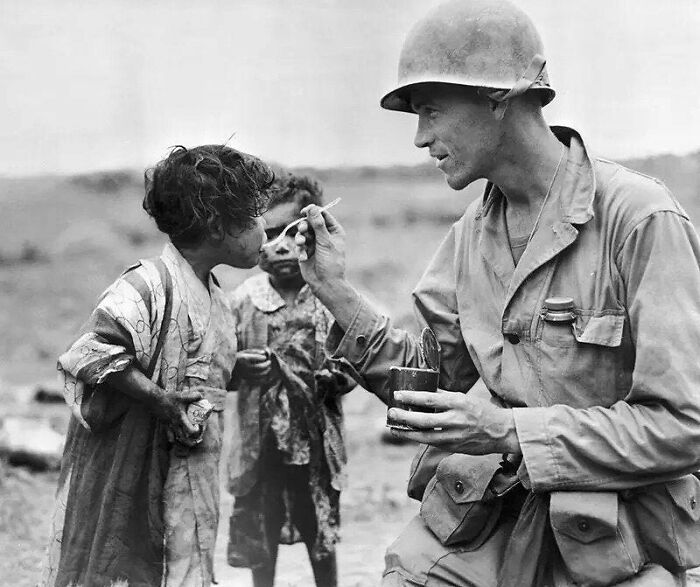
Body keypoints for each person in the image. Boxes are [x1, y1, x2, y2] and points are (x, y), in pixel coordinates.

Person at [294, 1, 700, 585]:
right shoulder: (469, 239)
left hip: (613, 539)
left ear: (498, 97)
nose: (419, 137)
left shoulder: (639, 220)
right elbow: (430, 389)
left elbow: (681, 427)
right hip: (484, 529)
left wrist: (508, 431)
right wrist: (334, 292)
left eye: (431, 111)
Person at [41, 145, 274, 587]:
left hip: (196, 464)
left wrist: (237, 371)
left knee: (190, 560)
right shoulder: (146, 284)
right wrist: (162, 401)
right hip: (144, 465)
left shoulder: (216, 297)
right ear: (219, 225)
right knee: (136, 564)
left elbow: (194, 367)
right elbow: (91, 353)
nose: (266, 228)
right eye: (256, 215)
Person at [226, 172, 356, 587]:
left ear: (313, 232)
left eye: (291, 232)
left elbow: (357, 360)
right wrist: (239, 369)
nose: (280, 245)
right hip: (261, 445)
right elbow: (215, 368)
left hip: (315, 443)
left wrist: (340, 377)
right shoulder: (242, 302)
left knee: (319, 528)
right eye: (269, 233)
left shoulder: (332, 298)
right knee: (260, 536)